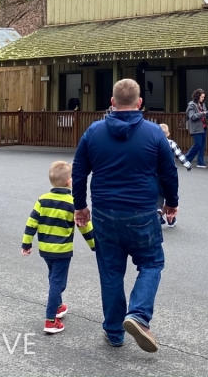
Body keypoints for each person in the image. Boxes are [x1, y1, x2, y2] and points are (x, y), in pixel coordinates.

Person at [72, 79, 179, 352]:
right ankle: (139, 314)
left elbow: (79, 170)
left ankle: (114, 331)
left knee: (110, 272)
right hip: (142, 211)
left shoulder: (94, 132)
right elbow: (168, 172)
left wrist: (80, 205)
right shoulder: (154, 133)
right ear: (139, 102)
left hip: (105, 212)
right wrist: (171, 203)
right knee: (152, 263)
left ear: (112, 101)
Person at [22, 160, 97, 335]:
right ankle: (50, 320)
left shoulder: (42, 200)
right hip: (62, 251)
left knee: (53, 277)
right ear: (70, 182)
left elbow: (31, 222)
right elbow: (84, 225)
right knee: (58, 282)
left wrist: (26, 243)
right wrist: (95, 245)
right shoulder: (72, 202)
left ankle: (58, 306)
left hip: (46, 250)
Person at [157, 123, 191, 226]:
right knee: (171, 194)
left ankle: (158, 211)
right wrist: (187, 165)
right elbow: (180, 155)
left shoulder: (154, 143)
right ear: (168, 134)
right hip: (170, 173)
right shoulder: (171, 143)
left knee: (159, 194)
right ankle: (171, 218)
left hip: (156, 173)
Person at [184, 89, 208, 169]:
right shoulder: (191, 105)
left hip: (203, 127)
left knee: (202, 145)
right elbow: (192, 116)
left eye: (204, 97)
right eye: (201, 97)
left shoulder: (202, 104)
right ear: (197, 96)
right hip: (196, 128)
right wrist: (203, 113)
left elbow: (205, 115)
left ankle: (200, 162)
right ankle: (186, 158)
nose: (203, 99)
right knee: (197, 144)